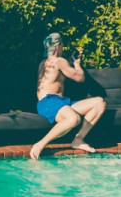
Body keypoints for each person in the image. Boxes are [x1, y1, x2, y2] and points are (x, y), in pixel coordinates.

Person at [30, 32, 106, 160]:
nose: (63, 47)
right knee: (73, 119)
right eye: (63, 44)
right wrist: (77, 64)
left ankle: (78, 139)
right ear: (58, 45)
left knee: (99, 102)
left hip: (61, 102)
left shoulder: (43, 63)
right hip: (49, 102)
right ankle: (40, 144)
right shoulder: (59, 61)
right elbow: (80, 78)